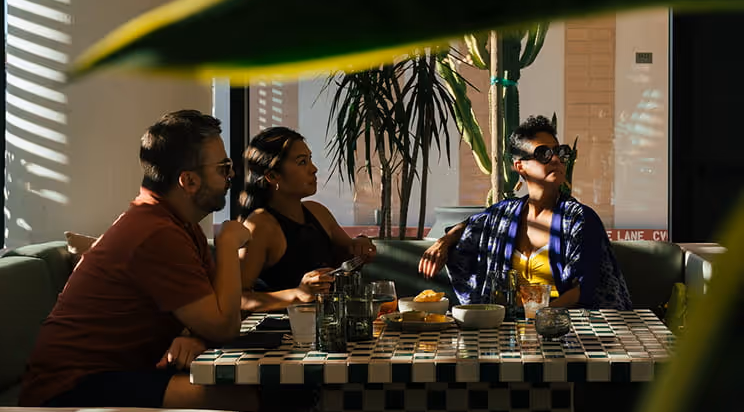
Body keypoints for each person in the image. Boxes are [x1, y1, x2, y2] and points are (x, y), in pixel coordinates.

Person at [20, 110, 257, 411]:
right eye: (223, 168)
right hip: (71, 387)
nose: (231, 176)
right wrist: (226, 244)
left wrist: (193, 335)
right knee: (240, 398)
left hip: (117, 374)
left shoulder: (176, 224)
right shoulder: (156, 233)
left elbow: (214, 310)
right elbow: (224, 326)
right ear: (189, 181)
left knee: (247, 389)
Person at [419, 114, 631, 310]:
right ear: (520, 166)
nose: (555, 159)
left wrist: (540, 317)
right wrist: (443, 242)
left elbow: (583, 289)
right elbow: (471, 223)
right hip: (506, 331)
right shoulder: (504, 215)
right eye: (544, 154)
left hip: (562, 330)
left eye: (558, 152)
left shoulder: (579, 220)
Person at [238, 126, 376, 295]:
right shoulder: (260, 224)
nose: (314, 169)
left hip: (325, 318)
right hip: (282, 321)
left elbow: (348, 254)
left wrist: (361, 245)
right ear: (273, 176)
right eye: (302, 162)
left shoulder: (317, 211)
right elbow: (237, 299)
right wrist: (298, 293)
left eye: (310, 159)